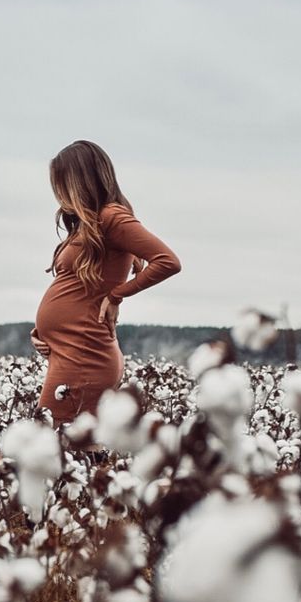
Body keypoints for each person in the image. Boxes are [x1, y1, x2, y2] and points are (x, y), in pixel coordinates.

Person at [30, 141, 182, 449]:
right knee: (63, 444)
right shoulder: (91, 224)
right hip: (70, 350)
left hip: (85, 356)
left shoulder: (112, 217)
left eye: (61, 186)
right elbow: (78, 291)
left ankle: (88, 497)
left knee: (57, 446)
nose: (58, 195)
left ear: (80, 182)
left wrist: (116, 296)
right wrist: (46, 334)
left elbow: (168, 261)